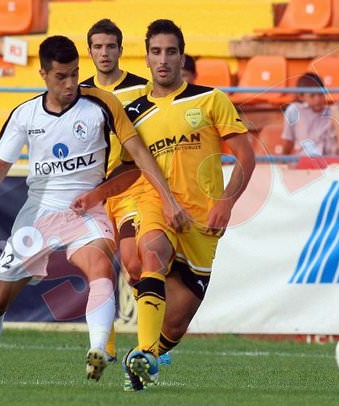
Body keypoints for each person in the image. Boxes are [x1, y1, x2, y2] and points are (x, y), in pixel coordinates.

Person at [0, 35, 187, 389]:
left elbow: (138, 156)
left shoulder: (102, 105)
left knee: (99, 268)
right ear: (43, 74)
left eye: (75, 74)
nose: (70, 84)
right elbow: (0, 166)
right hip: (39, 216)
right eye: (61, 76)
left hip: (88, 212)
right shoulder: (25, 114)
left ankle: (97, 352)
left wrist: (168, 200)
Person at [121, 19, 255, 391]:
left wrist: (226, 203)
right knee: (151, 254)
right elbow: (122, 170)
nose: (163, 59)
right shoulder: (133, 114)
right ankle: (143, 356)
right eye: (155, 52)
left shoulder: (210, 99)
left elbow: (246, 156)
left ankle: (156, 348)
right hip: (157, 207)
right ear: (146, 58)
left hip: (203, 221)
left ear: (182, 57)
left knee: (177, 324)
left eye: (171, 52)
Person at [81, 18, 149, 363]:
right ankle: (104, 349)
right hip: (93, 196)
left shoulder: (142, 90)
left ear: (121, 50)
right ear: (89, 50)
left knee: (134, 264)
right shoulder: (80, 95)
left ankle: (150, 342)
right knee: (100, 269)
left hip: (130, 191)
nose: (104, 53)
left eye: (110, 46)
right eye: (98, 46)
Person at [280, 72, 339, 156]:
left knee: (338, 108)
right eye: (312, 96)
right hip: (306, 161)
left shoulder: (333, 112)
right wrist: (281, 161)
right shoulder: (293, 111)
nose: (318, 99)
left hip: (330, 162)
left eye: (321, 94)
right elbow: (289, 141)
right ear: (301, 96)